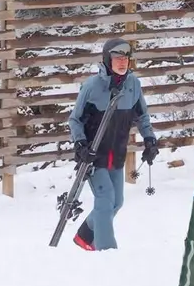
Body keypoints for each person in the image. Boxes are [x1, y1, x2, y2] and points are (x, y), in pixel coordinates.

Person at [67, 37, 159, 251]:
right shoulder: (92, 87)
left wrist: (149, 140)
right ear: (107, 60)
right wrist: (80, 145)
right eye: (117, 57)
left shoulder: (133, 85)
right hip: (93, 155)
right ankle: (107, 252)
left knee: (116, 203)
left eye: (125, 57)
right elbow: (75, 119)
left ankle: (84, 236)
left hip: (116, 153)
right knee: (106, 198)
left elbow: (142, 116)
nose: (122, 62)